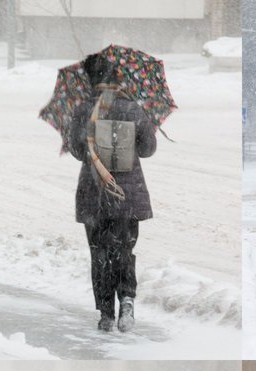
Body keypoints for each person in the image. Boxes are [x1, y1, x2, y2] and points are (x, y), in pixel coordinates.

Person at [69, 51, 157, 333]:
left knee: (99, 253)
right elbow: (148, 149)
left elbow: (76, 150)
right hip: (128, 196)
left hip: (94, 195)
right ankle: (127, 300)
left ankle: (106, 312)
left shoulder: (83, 110)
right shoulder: (133, 108)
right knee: (124, 250)